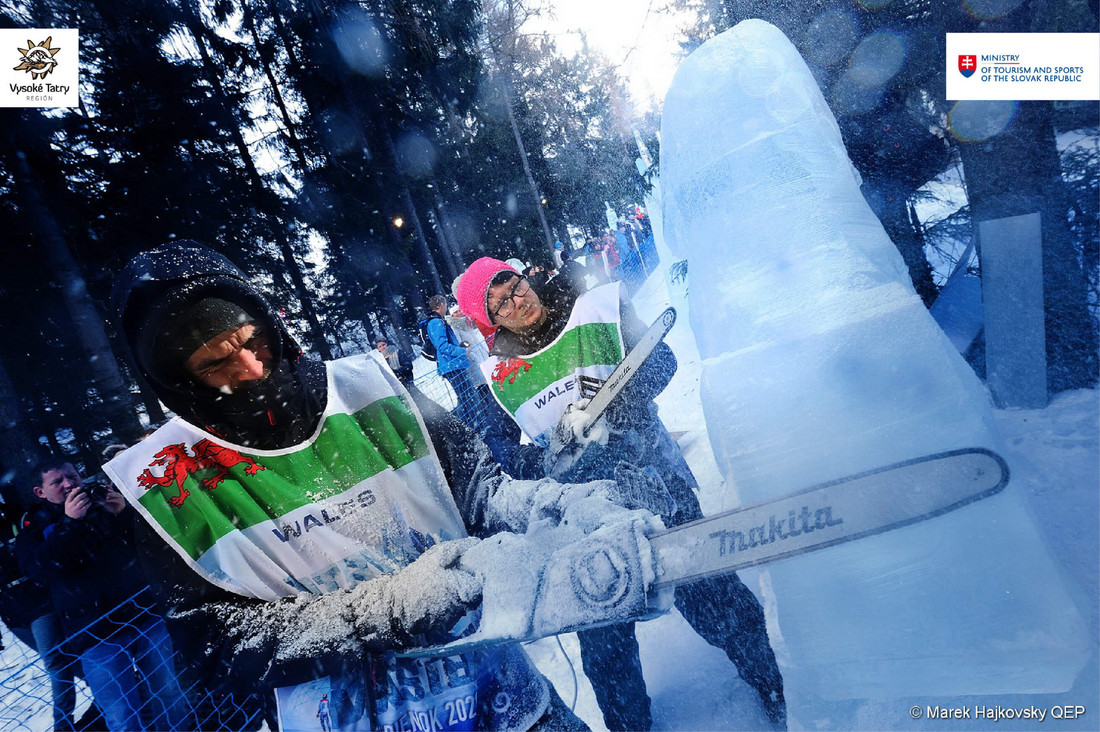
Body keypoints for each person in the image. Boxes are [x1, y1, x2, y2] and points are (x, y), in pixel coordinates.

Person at [104, 241, 658, 731]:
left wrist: (560, 505)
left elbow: (480, 493)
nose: (249, 365)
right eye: (215, 363)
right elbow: (217, 645)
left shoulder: (369, 389)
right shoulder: (168, 481)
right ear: (178, 380)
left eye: (252, 340)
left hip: (503, 699)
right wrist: (394, 606)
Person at [456, 257, 787, 730]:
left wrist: (616, 409)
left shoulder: (595, 307)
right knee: (604, 639)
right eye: (500, 301)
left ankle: (771, 680)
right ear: (490, 320)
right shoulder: (498, 376)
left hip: (653, 481)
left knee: (710, 594)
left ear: (524, 277)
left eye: (514, 284)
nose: (516, 299)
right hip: (584, 515)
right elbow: (502, 453)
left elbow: (663, 363)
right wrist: (548, 457)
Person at [16, 459, 189, 732]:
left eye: (72, 476)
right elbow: (40, 569)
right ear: (41, 492)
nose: (69, 484)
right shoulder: (34, 526)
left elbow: (148, 545)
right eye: (57, 482)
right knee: (121, 713)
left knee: (170, 694)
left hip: (142, 615)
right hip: (94, 632)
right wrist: (70, 523)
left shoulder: (101, 502)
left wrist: (123, 514)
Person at [1, 487, 80, 732]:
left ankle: (63, 725)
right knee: (65, 660)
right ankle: (106, 686)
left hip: (38, 603)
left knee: (55, 663)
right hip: (12, 613)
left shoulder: (19, 519)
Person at [422, 294, 486, 433]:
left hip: (453, 365)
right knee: (467, 396)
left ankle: (470, 425)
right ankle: (470, 426)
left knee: (466, 396)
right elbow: (442, 346)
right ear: (441, 305)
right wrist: (462, 351)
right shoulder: (436, 322)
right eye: (445, 305)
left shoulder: (437, 321)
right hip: (452, 365)